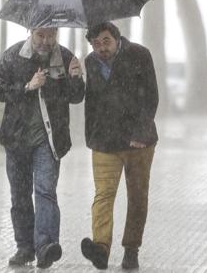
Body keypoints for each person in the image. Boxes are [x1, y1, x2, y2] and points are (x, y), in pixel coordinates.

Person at [0, 27, 84, 268]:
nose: (46, 41)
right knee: (20, 195)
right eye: (41, 35)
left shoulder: (64, 57)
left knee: (45, 191)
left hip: (49, 140)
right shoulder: (14, 55)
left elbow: (75, 97)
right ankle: (25, 248)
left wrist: (75, 77)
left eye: (51, 35)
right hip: (17, 139)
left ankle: (46, 247)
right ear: (31, 32)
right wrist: (27, 86)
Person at [80, 21, 159, 270]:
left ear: (116, 38)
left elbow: (151, 96)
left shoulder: (139, 54)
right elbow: (91, 100)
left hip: (138, 142)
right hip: (104, 141)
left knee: (137, 196)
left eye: (106, 41)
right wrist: (91, 135)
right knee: (103, 194)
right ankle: (101, 248)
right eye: (96, 43)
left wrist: (141, 131)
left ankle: (131, 249)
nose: (101, 47)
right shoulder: (90, 62)